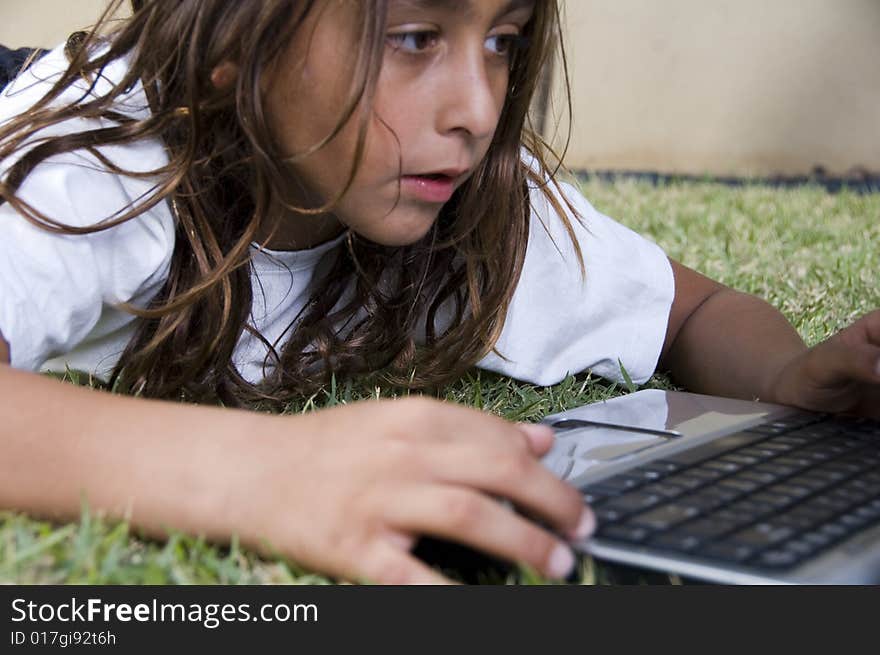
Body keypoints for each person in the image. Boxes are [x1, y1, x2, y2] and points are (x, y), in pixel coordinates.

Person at [0, 0, 877, 585]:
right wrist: (257, 470)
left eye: (503, 40)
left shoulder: (466, 196)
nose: (480, 109)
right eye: (416, 36)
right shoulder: (100, 161)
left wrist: (786, 380)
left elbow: (691, 310)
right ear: (238, 40)